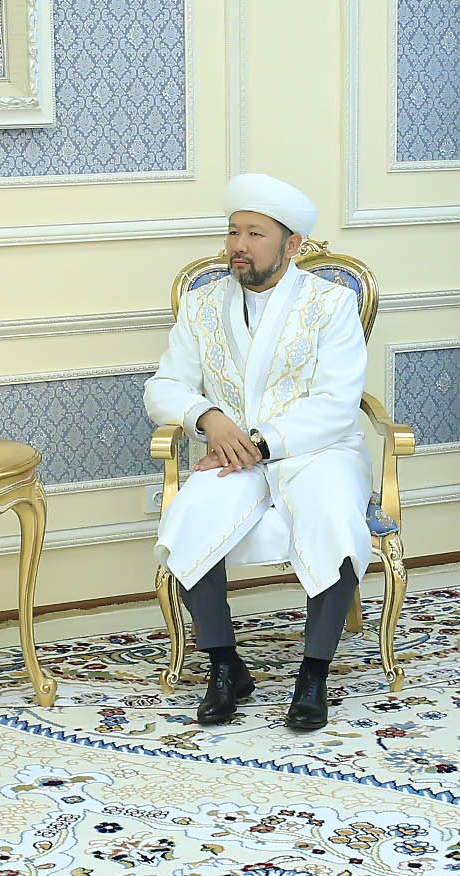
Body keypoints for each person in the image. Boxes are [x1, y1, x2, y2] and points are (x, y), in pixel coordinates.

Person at [145, 174, 370, 733]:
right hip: (230, 454)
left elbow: (337, 402)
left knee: (333, 516)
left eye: (255, 234)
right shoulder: (201, 304)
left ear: (292, 244)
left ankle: (313, 673)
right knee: (190, 516)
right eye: (233, 232)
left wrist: (262, 443)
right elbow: (164, 386)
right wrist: (208, 418)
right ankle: (226, 666)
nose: (239, 246)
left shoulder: (332, 303)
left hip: (318, 451)